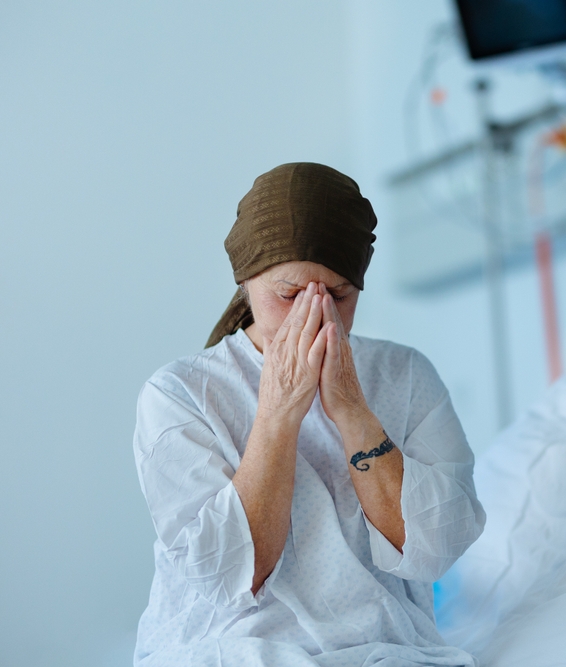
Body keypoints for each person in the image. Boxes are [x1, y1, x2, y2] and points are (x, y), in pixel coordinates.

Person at [132, 163, 486, 666]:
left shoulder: (406, 376)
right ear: (247, 283)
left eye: (338, 295)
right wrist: (278, 411)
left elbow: (437, 547)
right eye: (289, 295)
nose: (315, 315)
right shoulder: (180, 394)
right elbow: (231, 574)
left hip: (387, 650)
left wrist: (352, 411)